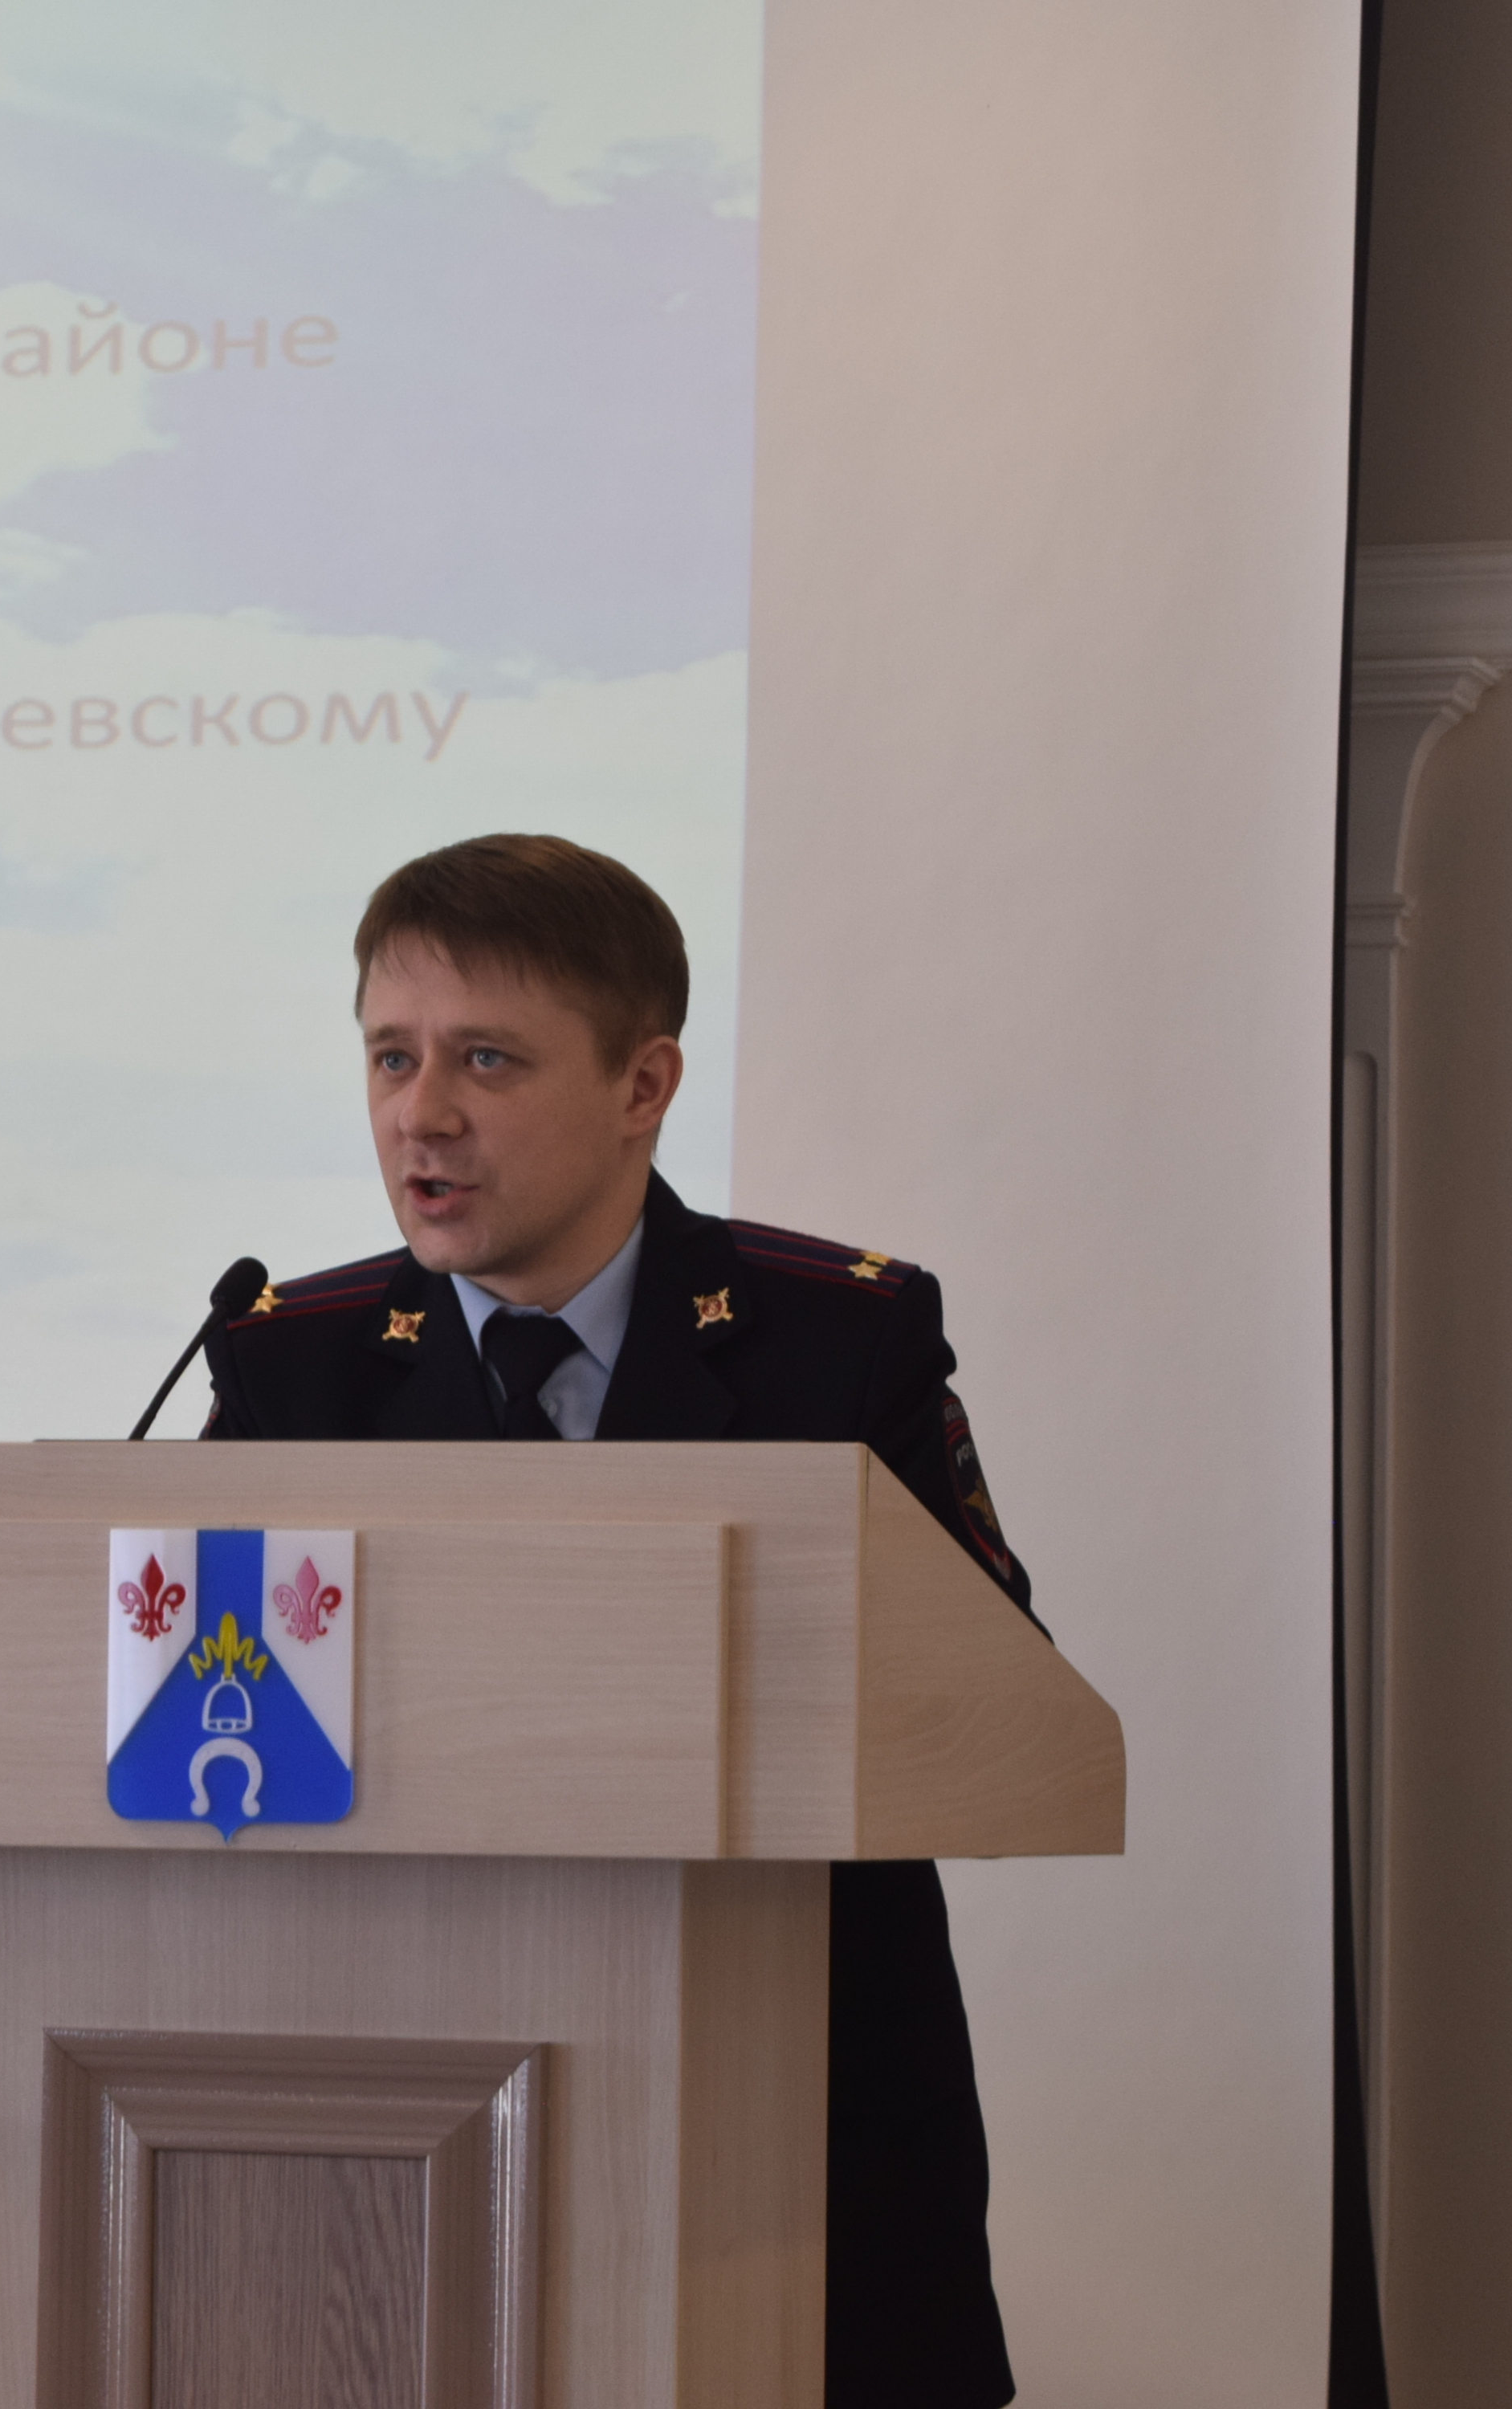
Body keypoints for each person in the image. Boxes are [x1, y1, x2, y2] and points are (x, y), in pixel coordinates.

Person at [203, 832, 1029, 2409]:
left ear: (644, 1084)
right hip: (392, 2123)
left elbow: (985, 1713)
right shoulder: (289, 1363)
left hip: (793, 2124)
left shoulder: (837, 1343)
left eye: (486, 1059)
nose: (419, 1114)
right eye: (390, 1056)